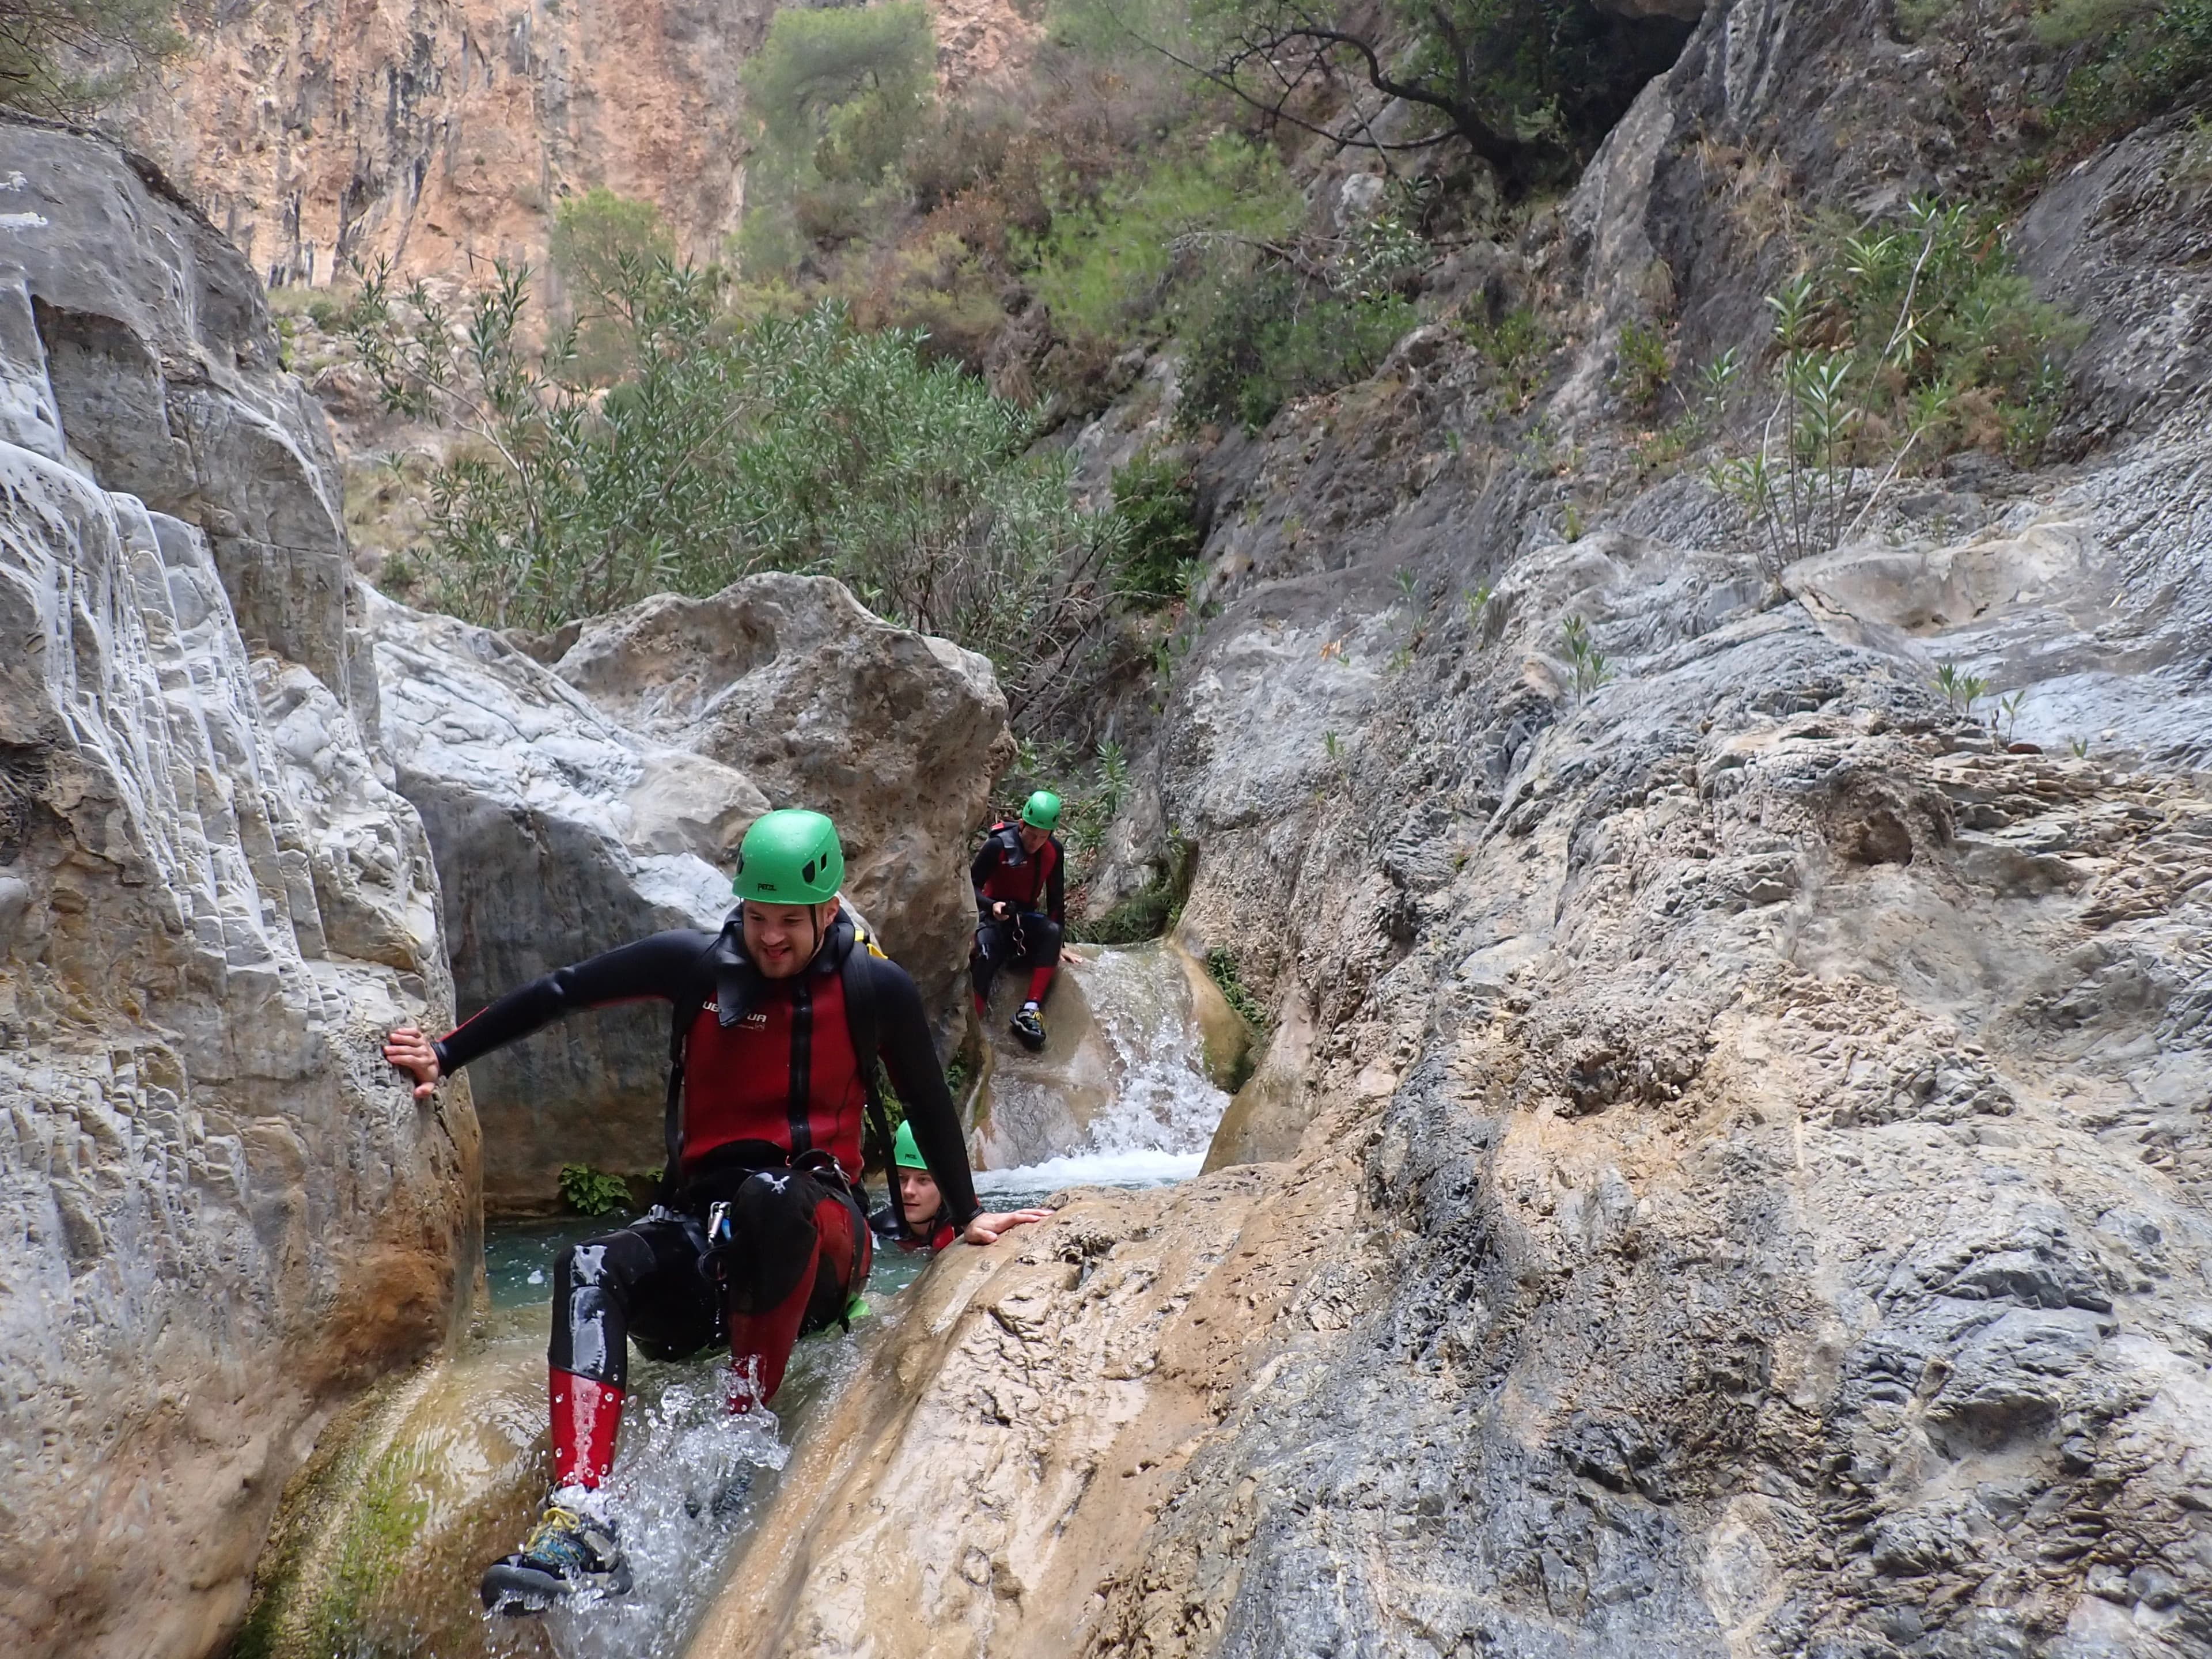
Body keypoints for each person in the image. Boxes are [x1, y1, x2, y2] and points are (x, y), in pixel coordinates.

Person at [381, 809, 995, 1616]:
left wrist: (973, 1213)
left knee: (772, 1197)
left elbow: (926, 1100)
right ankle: (582, 1519)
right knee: (589, 1263)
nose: (770, 938)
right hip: (706, 1233)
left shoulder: (874, 988)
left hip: (822, 1237)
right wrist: (446, 1053)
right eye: (757, 916)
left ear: (828, 909)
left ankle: (740, 1431)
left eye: (788, 922)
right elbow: (564, 992)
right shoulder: (696, 966)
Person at [970, 790, 1066, 1052]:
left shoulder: (1054, 851)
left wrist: (1061, 945)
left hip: (1024, 919)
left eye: (1042, 837)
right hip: (993, 916)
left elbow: (1056, 899)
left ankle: (1030, 1010)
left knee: (1052, 932)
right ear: (1022, 825)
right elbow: (969, 886)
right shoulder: (997, 846)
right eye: (1031, 834)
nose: (1034, 842)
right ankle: (973, 1029)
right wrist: (992, 905)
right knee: (985, 955)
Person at [869, 1120, 1052, 1251]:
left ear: (945, 1184)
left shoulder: (967, 1227)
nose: (909, 1191)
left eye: (923, 1180)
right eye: (902, 1179)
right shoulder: (879, 1229)